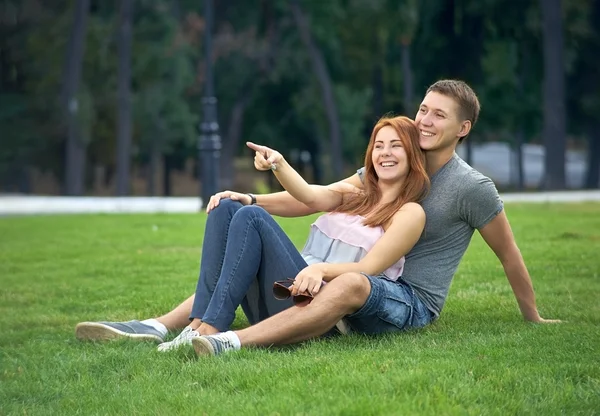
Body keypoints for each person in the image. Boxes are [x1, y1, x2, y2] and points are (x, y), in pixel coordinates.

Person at [76, 79, 559, 350]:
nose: (425, 120)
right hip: (348, 279)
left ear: (463, 127)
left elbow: (509, 253)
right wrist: (251, 197)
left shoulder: (469, 188)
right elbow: (315, 197)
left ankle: (226, 339)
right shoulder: (382, 169)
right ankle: (167, 326)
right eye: (423, 109)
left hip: (407, 297)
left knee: (344, 280)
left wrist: (532, 317)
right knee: (240, 219)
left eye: (439, 115)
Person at [76, 115, 430, 350]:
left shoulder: (410, 212)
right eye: (379, 145)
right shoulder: (355, 193)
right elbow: (308, 195)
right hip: (286, 289)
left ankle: (209, 328)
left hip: (313, 308)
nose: (385, 153)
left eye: (395, 146)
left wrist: (320, 269)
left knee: (251, 218)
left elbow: (370, 268)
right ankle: (199, 325)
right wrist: (274, 167)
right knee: (230, 206)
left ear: (412, 154)